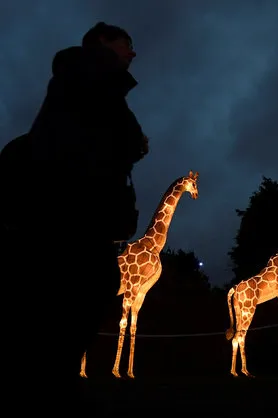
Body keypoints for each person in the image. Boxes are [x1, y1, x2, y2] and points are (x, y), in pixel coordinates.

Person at [3, 22, 149, 411]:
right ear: (103, 41)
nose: (132, 53)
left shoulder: (85, 82)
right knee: (74, 306)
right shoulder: (90, 76)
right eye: (126, 44)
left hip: (76, 226)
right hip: (71, 227)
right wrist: (133, 142)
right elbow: (87, 149)